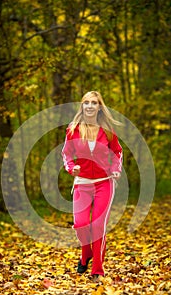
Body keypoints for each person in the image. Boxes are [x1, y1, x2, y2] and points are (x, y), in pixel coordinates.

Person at [61, 91, 123, 280]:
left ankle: (97, 268)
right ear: (82, 106)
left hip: (104, 183)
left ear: (99, 107)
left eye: (94, 103)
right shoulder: (73, 129)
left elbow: (118, 152)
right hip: (82, 183)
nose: (89, 106)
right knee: (80, 224)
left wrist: (115, 169)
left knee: (97, 227)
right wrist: (72, 168)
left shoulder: (108, 130)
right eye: (86, 102)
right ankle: (85, 252)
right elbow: (66, 154)